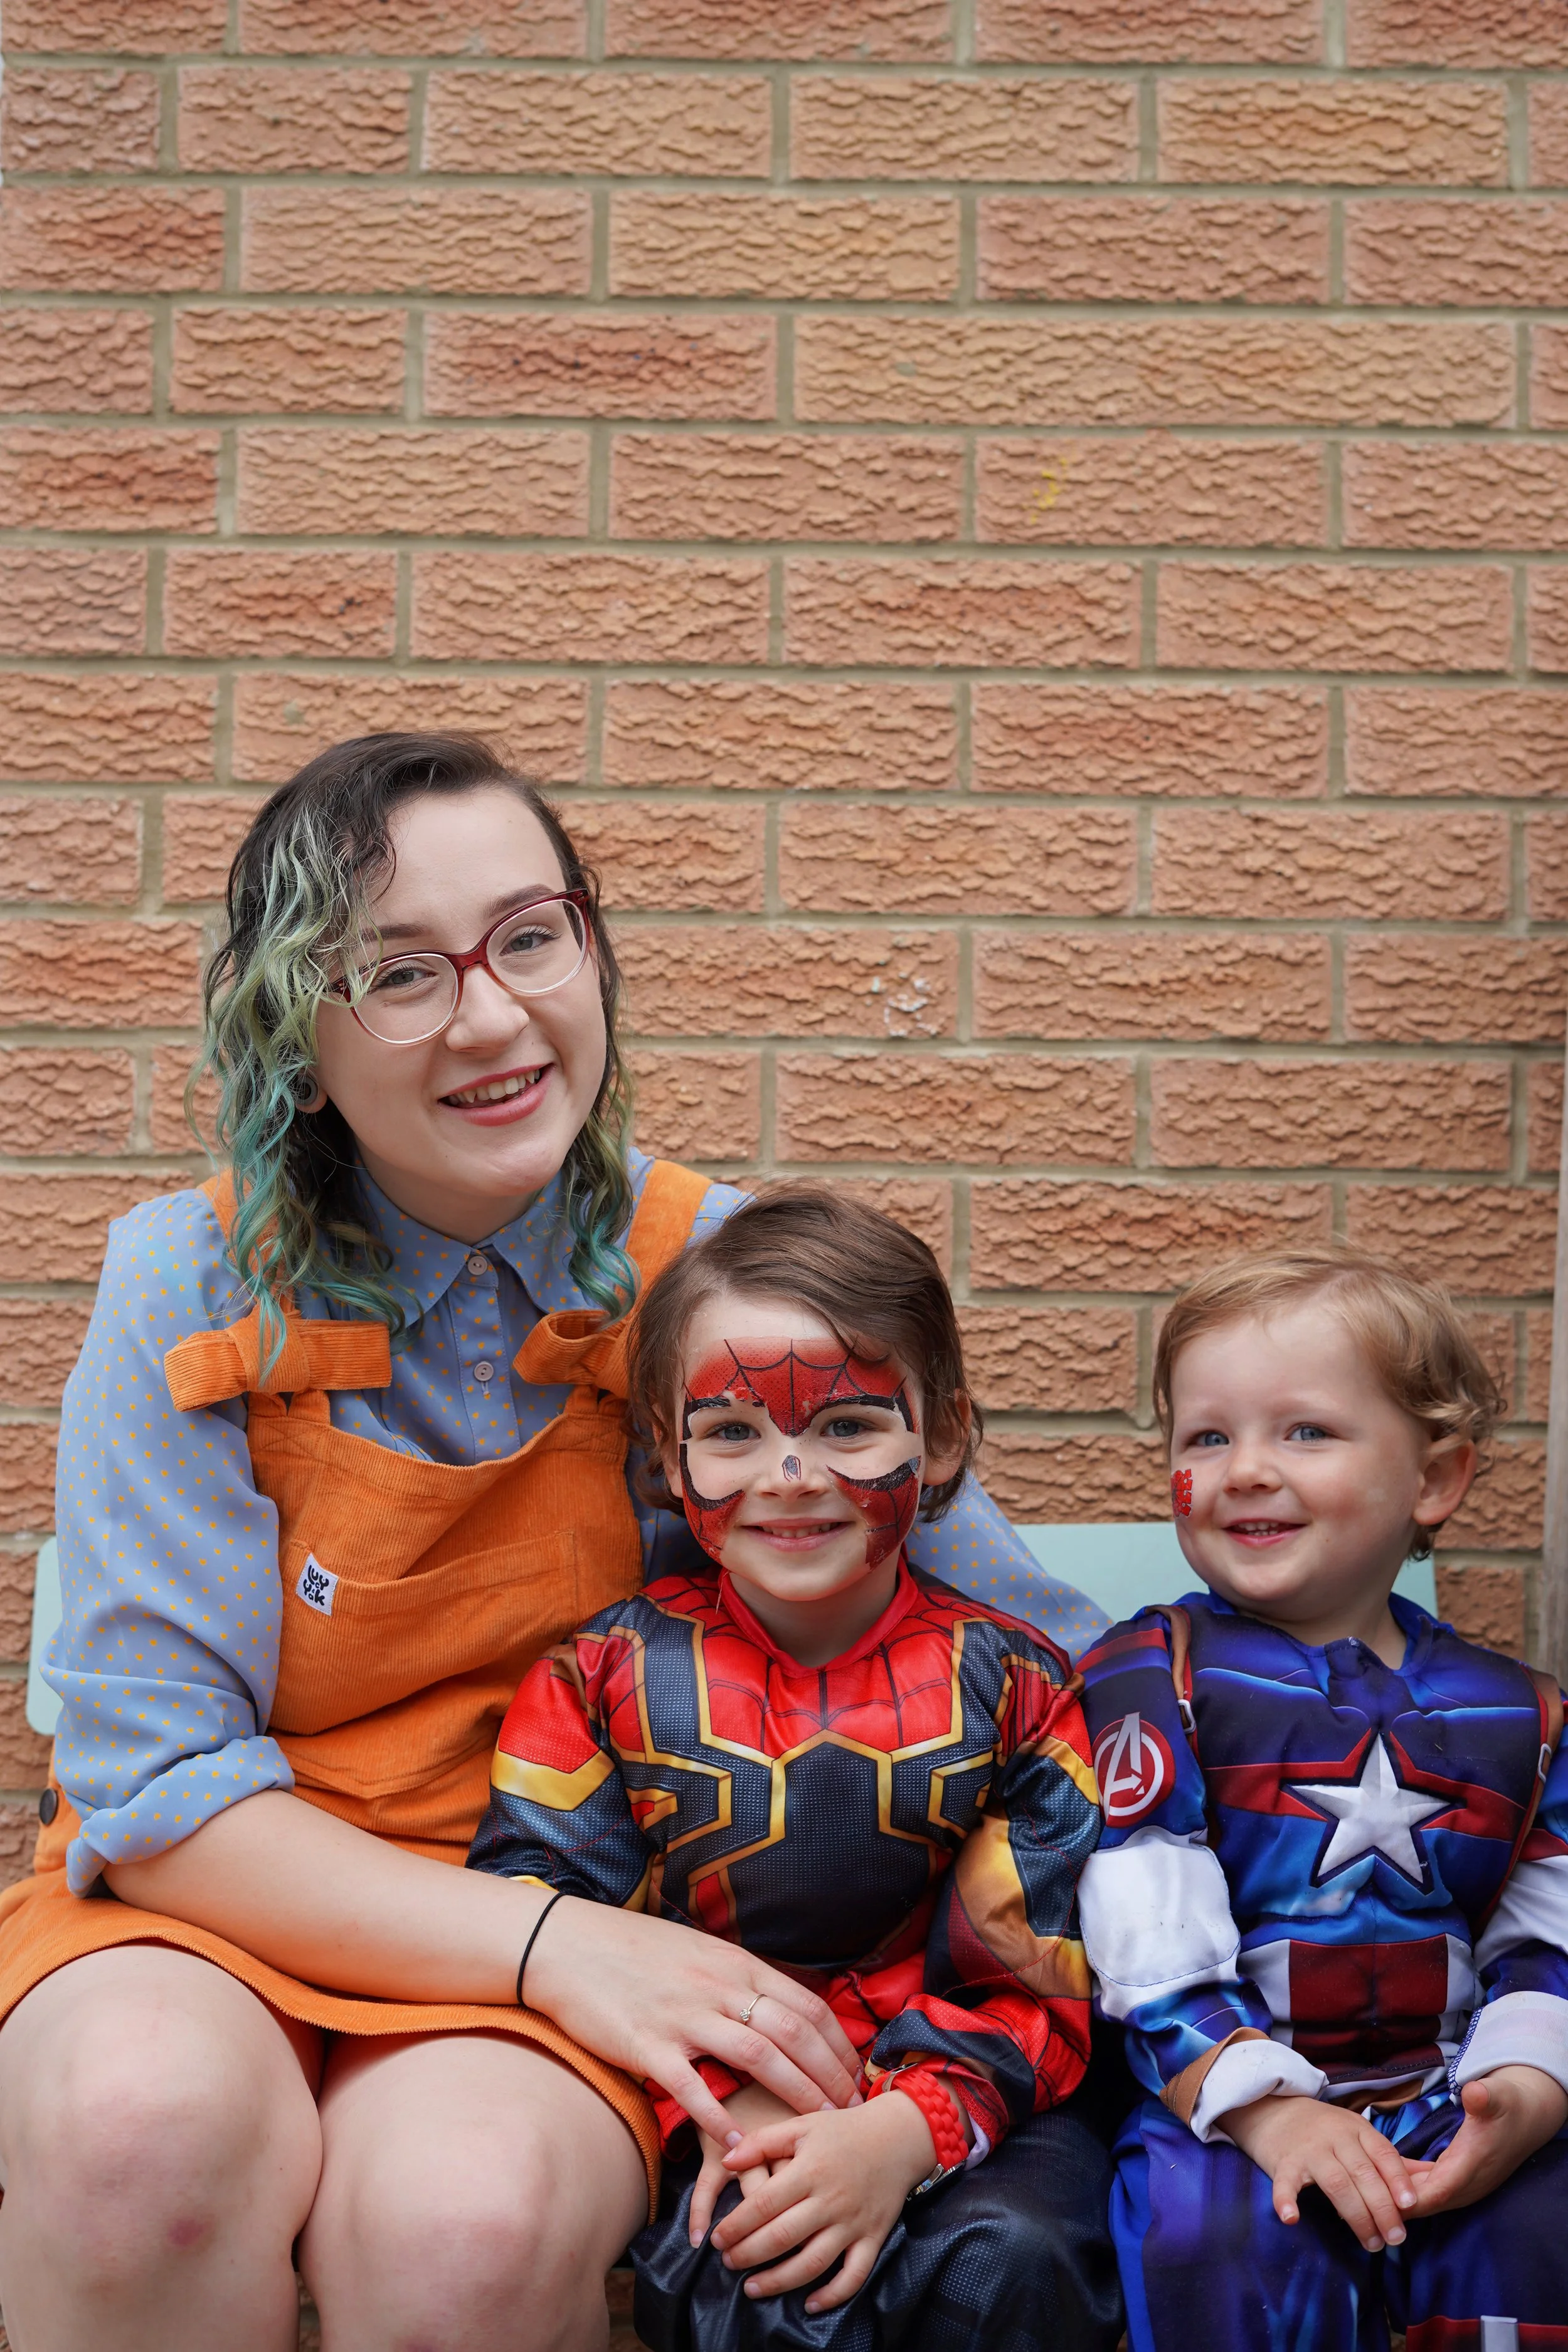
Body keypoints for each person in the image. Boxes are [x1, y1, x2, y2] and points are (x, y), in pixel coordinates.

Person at [0, 731, 1106, 2352]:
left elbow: (1028, 1639)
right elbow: (156, 1786)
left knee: (470, 2221)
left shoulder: (720, 1281)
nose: (496, 1013)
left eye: (533, 934)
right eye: (397, 971)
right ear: (292, 1040)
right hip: (211, 1908)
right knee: (131, 2139)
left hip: (567, 1890)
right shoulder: (190, 1284)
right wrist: (559, 1943)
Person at [468, 1186, 1122, 2352]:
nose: (791, 1473)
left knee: (1010, 2260)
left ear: (947, 1435)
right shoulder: (597, 1679)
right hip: (718, 2106)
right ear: (668, 1459)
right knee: (765, 2263)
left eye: (847, 1426)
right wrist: (730, 2105)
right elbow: (548, 1920)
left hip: (986, 2109)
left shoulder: (1021, 1688)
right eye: (733, 1432)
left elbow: (1041, 1968)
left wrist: (905, 2130)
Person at [1073, 1244, 1568, 2350]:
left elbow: (1549, 1926)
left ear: (1435, 1479)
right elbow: (1140, 1910)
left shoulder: (1520, 1712)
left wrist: (1529, 2082)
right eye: (1208, 1435)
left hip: (1454, 2085)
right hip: (1221, 2098)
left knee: (1543, 2214)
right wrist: (1264, 2103)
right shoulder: (1156, 1671)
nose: (1246, 1466)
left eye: (1306, 1430)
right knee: (1219, 2239)